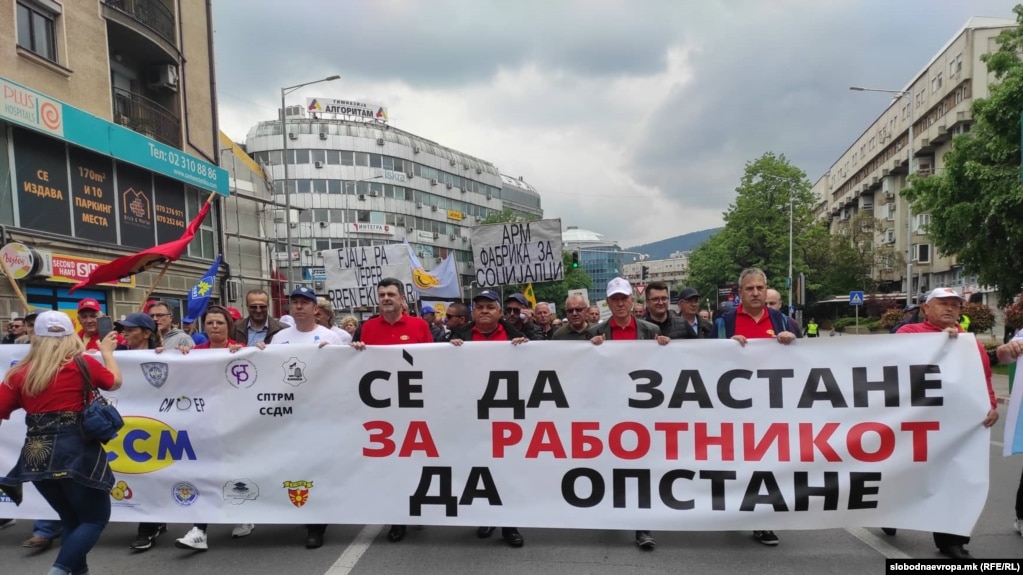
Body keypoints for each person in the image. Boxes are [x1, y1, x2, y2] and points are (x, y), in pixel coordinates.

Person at [0, 311, 122, 575]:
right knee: (94, 518)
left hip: (36, 454)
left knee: (71, 519)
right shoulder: (83, 364)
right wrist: (107, 352)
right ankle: (58, 571)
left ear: (35, 336)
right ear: (70, 336)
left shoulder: (18, 374)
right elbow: (114, 382)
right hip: (75, 449)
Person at [891, 287, 998, 559]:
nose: (951, 309)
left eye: (955, 305)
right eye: (943, 304)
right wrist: (940, 344)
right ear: (926, 308)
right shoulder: (909, 333)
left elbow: (983, 375)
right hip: (916, 422)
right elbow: (896, 364)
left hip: (955, 425)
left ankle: (952, 540)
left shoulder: (968, 340)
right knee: (909, 472)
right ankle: (890, 510)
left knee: (956, 478)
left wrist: (991, 404)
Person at [710, 268, 796, 547]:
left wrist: (790, 342)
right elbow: (704, 360)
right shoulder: (725, 323)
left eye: (760, 288)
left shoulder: (782, 320)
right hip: (733, 407)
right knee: (736, 462)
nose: (756, 293)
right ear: (740, 293)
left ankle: (763, 520)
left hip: (770, 406)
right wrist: (725, 347)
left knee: (767, 463)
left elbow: (804, 360)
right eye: (750, 289)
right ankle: (735, 509)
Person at [258, 286, 345, 549]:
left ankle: (317, 525)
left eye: (304, 303)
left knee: (317, 467)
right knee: (294, 466)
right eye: (294, 302)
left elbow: (344, 373)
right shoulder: (279, 337)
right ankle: (299, 509)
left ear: (315, 309)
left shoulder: (331, 337)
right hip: (288, 415)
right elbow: (269, 373)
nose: (299, 307)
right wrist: (259, 352)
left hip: (320, 414)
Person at [350, 278, 434, 543]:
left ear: (401, 299)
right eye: (382, 294)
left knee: (415, 460)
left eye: (391, 294)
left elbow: (435, 359)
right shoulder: (366, 328)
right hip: (381, 411)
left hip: (413, 406)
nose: (386, 298)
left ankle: (416, 505)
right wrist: (356, 350)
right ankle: (397, 517)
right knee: (389, 464)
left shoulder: (419, 326)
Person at [587, 277, 668, 550]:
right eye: (615, 299)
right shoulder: (595, 333)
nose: (620, 303)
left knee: (641, 468)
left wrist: (666, 348)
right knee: (610, 466)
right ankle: (611, 511)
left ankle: (641, 527)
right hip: (609, 411)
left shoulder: (650, 330)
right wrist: (591, 350)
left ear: (632, 301)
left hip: (642, 411)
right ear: (608, 303)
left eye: (624, 298)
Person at [449, 289, 528, 548]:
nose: (484, 310)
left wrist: (528, 351)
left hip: (506, 417)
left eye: (489, 306)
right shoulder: (458, 338)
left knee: (508, 470)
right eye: (479, 306)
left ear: (499, 311)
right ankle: (485, 516)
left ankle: (510, 525)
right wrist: (448, 351)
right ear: (473, 312)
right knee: (478, 468)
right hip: (471, 416)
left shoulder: (517, 337)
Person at [173, 306, 251, 551]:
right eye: (210, 323)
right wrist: (166, 355)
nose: (215, 327)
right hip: (203, 422)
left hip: (236, 422)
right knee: (205, 472)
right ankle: (199, 530)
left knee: (234, 470)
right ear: (203, 326)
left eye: (220, 323)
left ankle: (245, 515)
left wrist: (250, 353)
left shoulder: (239, 351)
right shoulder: (194, 352)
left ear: (229, 326)